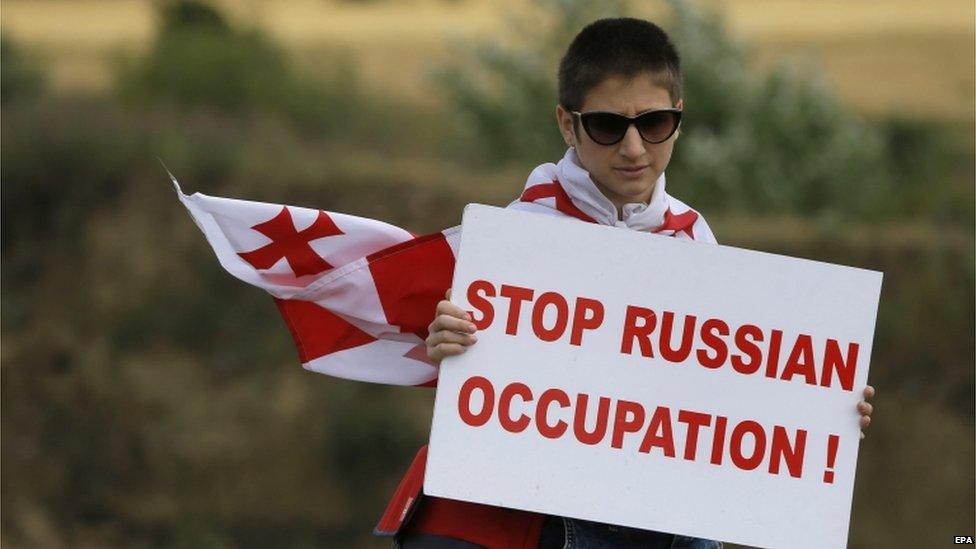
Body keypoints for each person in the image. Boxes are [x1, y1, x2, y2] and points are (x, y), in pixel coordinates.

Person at [394, 17, 875, 548]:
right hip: (549, 522)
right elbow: (480, 398)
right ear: (566, 123)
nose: (632, 147)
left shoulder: (696, 239)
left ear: (679, 119)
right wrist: (448, 346)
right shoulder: (515, 236)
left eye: (654, 123)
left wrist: (821, 406)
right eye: (606, 125)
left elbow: (728, 387)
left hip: (670, 520)